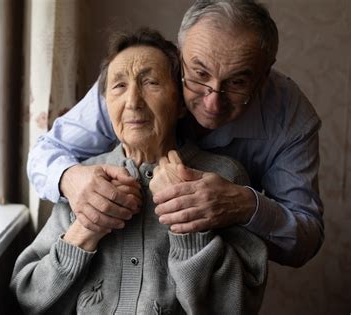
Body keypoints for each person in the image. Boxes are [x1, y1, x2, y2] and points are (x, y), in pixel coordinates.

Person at [28, 0, 324, 268]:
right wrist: (70, 179)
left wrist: (242, 205)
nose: (213, 103)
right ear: (179, 56)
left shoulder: (291, 117)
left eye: (237, 83)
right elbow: (44, 153)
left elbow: (305, 240)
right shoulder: (133, 86)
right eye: (199, 74)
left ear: (264, 73)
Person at [12, 28, 267, 314]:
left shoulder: (225, 177)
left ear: (180, 103)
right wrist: (84, 230)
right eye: (119, 86)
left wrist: (188, 227)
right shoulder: (83, 181)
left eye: (151, 82)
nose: (133, 101)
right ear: (106, 104)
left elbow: (239, 307)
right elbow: (29, 299)